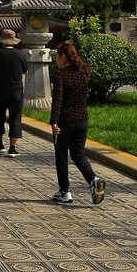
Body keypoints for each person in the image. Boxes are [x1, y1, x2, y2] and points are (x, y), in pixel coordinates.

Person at [50, 42, 105, 205]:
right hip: (82, 119)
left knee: (61, 155)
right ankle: (93, 180)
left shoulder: (61, 76)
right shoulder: (84, 72)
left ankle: (64, 192)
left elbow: (57, 101)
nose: (56, 61)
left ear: (62, 57)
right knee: (78, 153)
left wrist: (53, 121)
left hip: (65, 121)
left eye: (56, 57)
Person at [0, 29, 27, 156]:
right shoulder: (21, 54)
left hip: (1, 88)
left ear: (2, 41)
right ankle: (12, 147)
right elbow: (24, 71)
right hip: (16, 89)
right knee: (15, 117)